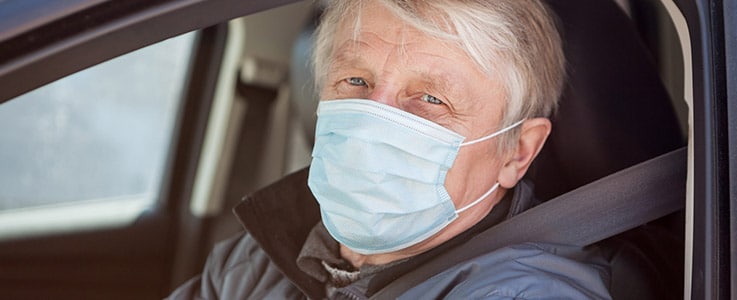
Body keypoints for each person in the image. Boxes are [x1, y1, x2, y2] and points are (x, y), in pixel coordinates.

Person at [169, 0, 612, 298]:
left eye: (432, 99)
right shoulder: (258, 255)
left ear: (517, 152)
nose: (372, 118)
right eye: (355, 81)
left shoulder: (523, 293)